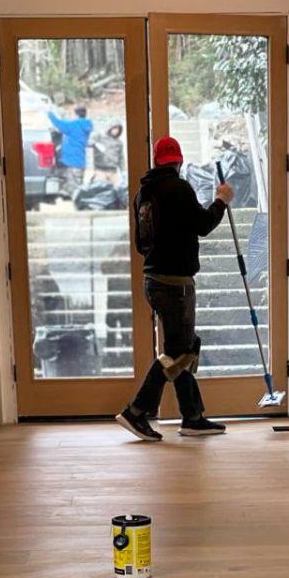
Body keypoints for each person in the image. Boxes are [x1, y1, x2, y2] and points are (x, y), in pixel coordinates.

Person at [117, 136, 233, 440]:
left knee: (185, 346)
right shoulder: (179, 188)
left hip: (153, 281)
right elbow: (204, 225)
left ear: (157, 161)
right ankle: (136, 411)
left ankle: (192, 417)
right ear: (179, 161)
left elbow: (141, 244)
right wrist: (221, 200)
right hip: (175, 284)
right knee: (180, 354)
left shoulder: (143, 195)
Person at [46, 103, 93, 199]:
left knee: (74, 191)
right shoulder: (85, 125)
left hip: (72, 162)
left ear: (76, 115)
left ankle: (78, 205)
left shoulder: (74, 125)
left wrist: (49, 113)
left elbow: (58, 123)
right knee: (77, 186)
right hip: (79, 161)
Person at [90, 122, 125, 188]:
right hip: (100, 171)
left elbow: (121, 158)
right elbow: (88, 143)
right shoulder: (99, 137)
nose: (116, 131)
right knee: (99, 190)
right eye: (114, 128)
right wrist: (95, 143)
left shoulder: (119, 143)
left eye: (118, 129)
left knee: (116, 190)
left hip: (113, 172)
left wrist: (123, 171)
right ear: (110, 128)